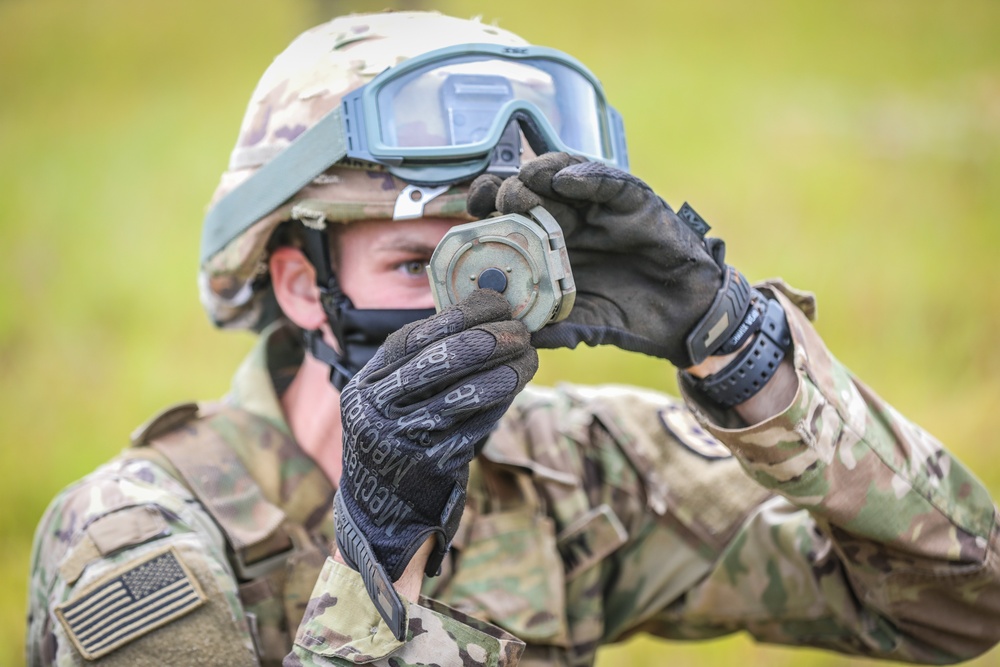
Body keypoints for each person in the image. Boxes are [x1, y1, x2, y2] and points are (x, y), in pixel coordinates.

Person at [25, 10, 1000, 667]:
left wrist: (742, 352)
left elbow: (959, 600)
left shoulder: (568, 470)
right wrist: (381, 550)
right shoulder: (139, 541)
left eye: (493, 263)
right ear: (300, 286)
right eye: (417, 265)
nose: (466, 311)